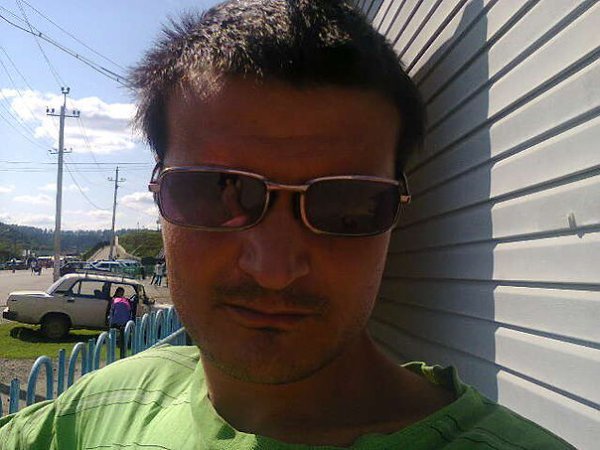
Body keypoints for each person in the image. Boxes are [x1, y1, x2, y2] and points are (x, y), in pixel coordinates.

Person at [0, 1, 573, 449]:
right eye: (213, 191)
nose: (273, 269)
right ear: (158, 194)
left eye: (347, 204)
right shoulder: (98, 406)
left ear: (398, 210)